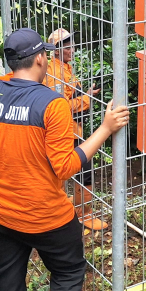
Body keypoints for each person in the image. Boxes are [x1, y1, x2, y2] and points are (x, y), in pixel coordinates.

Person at [0, 28, 129, 291]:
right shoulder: (51, 105)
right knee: (68, 272)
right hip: (42, 215)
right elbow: (66, 166)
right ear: (43, 59)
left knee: (9, 281)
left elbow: (9, 85)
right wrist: (105, 128)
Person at [45, 29, 106, 230]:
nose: (73, 49)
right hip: (66, 131)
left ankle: (67, 205)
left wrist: (85, 93)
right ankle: (83, 214)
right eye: (67, 46)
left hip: (74, 128)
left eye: (72, 45)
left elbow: (69, 96)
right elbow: (59, 106)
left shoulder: (64, 67)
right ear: (56, 50)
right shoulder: (55, 73)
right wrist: (87, 100)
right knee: (84, 169)